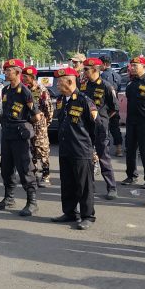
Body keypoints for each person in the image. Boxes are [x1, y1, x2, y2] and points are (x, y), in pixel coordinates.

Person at [50, 67, 98, 230]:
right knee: (67, 183)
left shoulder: (85, 101)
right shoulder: (62, 100)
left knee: (84, 185)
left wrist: (94, 150)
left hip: (81, 149)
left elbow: (96, 129)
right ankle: (70, 212)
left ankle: (87, 216)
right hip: (65, 149)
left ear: (70, 82)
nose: (56, 85)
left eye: (59, 81)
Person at [0, 59, 39, 216]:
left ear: (18, 72)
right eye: (5, 70)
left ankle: (32, 201)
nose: (5, 72)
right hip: (7, 134)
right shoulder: (6, 90)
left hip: (20, 135)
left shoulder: (25, 91)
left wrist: (24, 125)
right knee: (6, 168)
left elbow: (36, 116)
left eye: (8, 70)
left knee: (25, 168)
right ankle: (8, 198)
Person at [81, 58, 120, 199]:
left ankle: (111, 187)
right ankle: (90, 187)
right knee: (87, 157)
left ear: (95, 69)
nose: (83, 72)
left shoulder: (106, 86)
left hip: (100, 127)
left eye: (86, 69)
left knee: (103, 157)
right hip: (85, 127)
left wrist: (101, 119)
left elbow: (114, 108)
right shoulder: (83, 86)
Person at [122, 57, 145, 188]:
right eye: (131, 65)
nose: (132, 67)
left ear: (143, 67)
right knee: (130, 149)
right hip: (131, 122)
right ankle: (131, 176)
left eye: (135, 65)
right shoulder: (131, 83)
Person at [21, 66, 54, 187]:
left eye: (25, 77)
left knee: (42, 150)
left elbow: (49, 109)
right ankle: (33, 174)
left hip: (40, 125)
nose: (22, 78)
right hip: (27, 123)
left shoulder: (42, 90)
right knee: (30, 150)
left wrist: (44, 123)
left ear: (32, 77)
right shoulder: (24, 89)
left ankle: (46, 175)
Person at [100, 55, 124, 156]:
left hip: (105, 105)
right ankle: (119, 149)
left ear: (104, 64)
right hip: (115, 105)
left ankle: (105, 150)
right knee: (115, 127)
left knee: (104, 128)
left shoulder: (102, 76)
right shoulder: (117, 75)